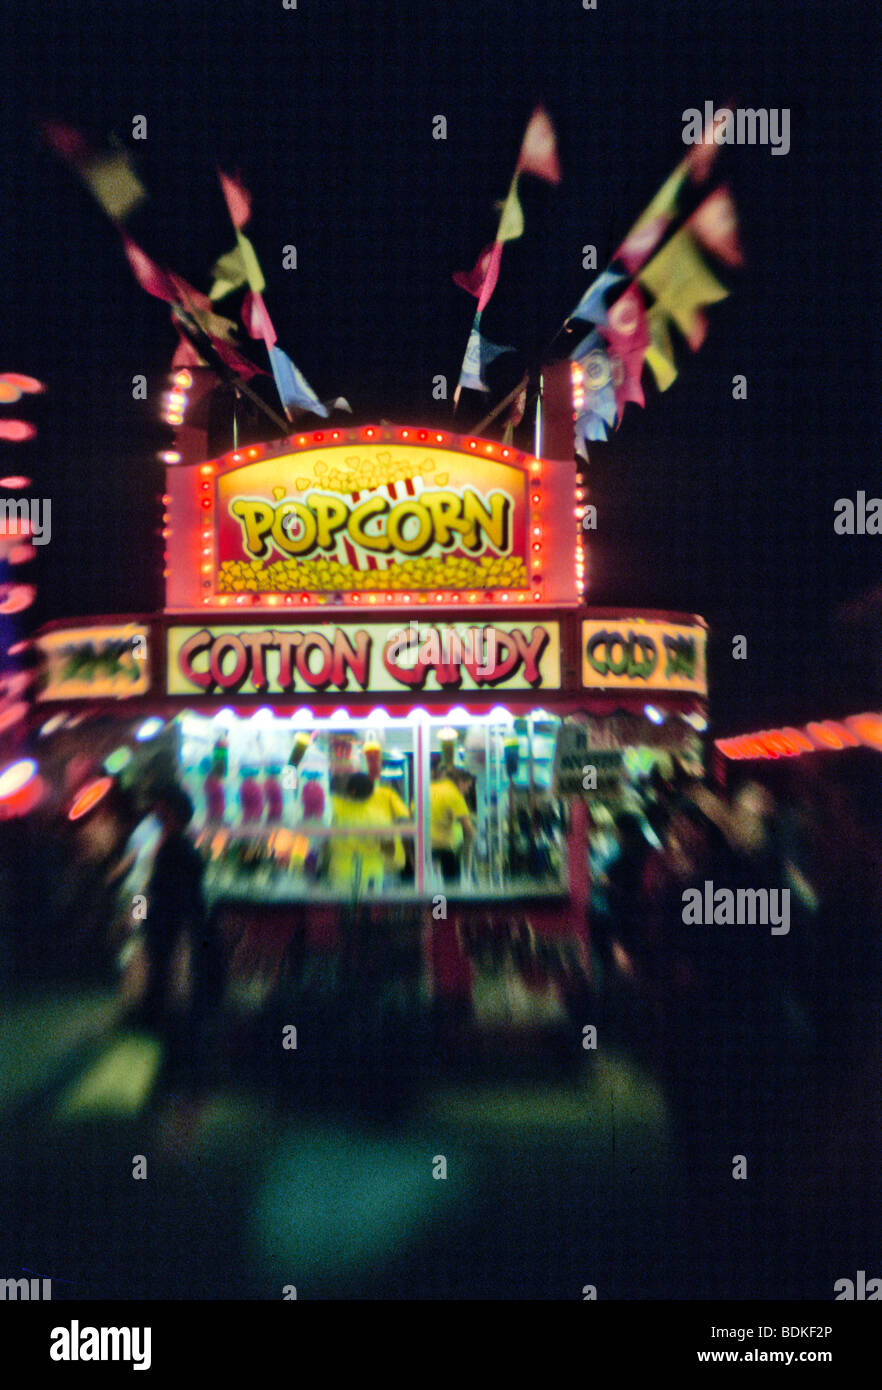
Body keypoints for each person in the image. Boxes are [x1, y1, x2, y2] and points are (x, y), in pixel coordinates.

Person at [140, 784, 223, 1031]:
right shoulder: (184, 848)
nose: (156, 815)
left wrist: (139, 918)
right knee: (169, 974)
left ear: (170, 813)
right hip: (181, 922)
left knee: (164, 973)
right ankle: (166, 1020)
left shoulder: (170, 848)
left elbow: (151, 888)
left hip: (168, 923)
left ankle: (157, 1020)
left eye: (160, 812)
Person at [429, 756, 474, 884]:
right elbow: (467, 827)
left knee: (430, 889)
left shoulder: (428, 789)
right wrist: (474, 842)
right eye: (468, 786)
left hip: (423, 848)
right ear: (461, 781)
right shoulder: (453, 793)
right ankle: (446, 904)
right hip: (444, 849)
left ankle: (437, 904)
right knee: (451, 889)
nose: (466, 791)